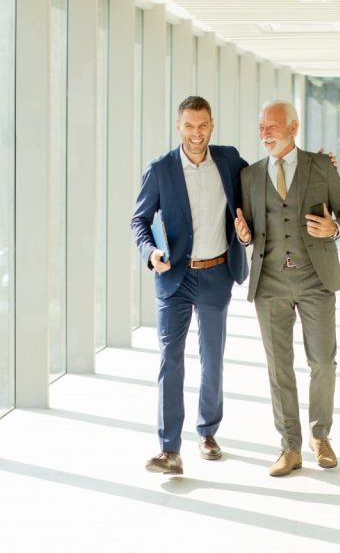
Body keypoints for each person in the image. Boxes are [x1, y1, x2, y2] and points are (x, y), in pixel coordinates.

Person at [233, 99, 340, 477]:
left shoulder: (321, 166)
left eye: (272, 126)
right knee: (279, 367)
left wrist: (334, 228)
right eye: (261, 127)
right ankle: (289, 447)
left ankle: (320, 437)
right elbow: (249, 228)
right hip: (269, 282)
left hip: (315, 279)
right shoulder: (250, 176)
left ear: (293, 127)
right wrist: (243, 237)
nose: (265, 133)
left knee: (322, 361)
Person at [131, 96, 249, 475]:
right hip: (174, 278)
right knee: (171, 359)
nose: (196, 133)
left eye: (202, 126)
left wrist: (320, 166)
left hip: (216, 274)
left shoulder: (229, 161)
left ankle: (208, 432)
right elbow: (140, 219)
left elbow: (264, 183)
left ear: (211, 125)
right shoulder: (161, 169)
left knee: (212, 358)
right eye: (189, 126)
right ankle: (169, 449)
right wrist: (150, 253)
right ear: (178, 126)